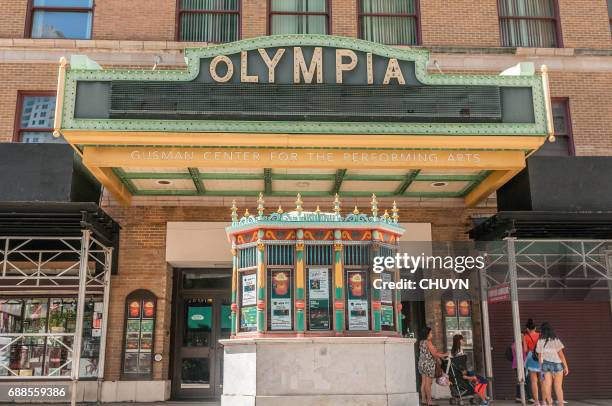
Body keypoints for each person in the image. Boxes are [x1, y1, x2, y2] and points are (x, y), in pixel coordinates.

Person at [537, 322, 569, 406]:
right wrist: (566, 367)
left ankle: (549, 404)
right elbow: (561, 355)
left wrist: (541, 369)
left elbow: (540, 357)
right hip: (557, 364)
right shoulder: (555, 340)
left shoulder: (540, 341)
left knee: (547, 386)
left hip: (546, 365)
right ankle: (561, 404)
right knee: (558, 386)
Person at [452, 334, 489, 406]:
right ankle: (484, 399)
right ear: (459, 341)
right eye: (462, 340)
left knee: (477, 381)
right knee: (478, 380)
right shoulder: (459, 350)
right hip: (464, 371)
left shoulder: (453, 351)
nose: (463, 341)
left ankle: (484, 397)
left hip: (459, 371)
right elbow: (461, 362)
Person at [418, 326, 447, 406]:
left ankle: (424, 400)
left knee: (423, 382)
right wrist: (445, 354)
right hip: (428, 364)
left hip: (422, 363)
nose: (432, 334)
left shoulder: (421, 342)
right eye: (431, 332)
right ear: (427, 334)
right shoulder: (428, 342)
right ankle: (429, 401)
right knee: (428, 383)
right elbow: (434, 354)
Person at [523, 319, 541, 405]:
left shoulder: (525, 337)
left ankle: (537, 401)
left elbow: (525, 350)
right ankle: (545, 401)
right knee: (543, 380)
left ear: (527, 329)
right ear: (535, 327)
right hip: (540, 357)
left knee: (534, 381)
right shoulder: (540, 335)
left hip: (531, 358)